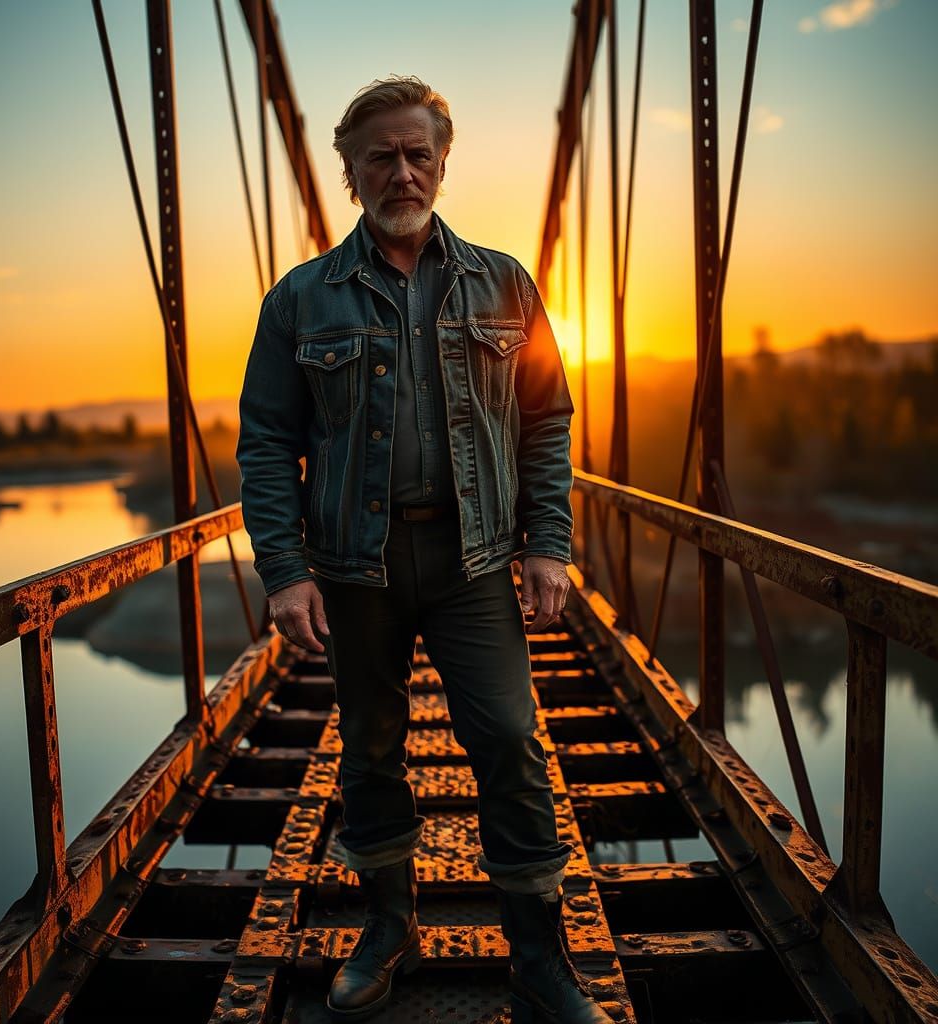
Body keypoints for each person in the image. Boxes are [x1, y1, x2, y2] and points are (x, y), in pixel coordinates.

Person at [237, 76, 611, 1024]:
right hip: (354, 568)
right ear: (350, 172)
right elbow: (267, 443)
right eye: (380, 157)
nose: (401, 171)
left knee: (513, 742)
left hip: (476, 559)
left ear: (443, 161)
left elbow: (547, 422)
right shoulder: (301, 300)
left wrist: (549, 544)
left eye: (417, 153)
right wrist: (284, 573)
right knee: (367, 751)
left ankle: (541, 959)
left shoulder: (505, 282)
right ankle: (389, 926)